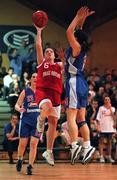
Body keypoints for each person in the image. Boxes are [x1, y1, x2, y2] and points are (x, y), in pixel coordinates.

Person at [65, 7, 95, 164]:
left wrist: (77, 16)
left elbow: (69, 31)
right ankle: (88, 145)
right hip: (82, 83)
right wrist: (82, 19)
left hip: (74, 81)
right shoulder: (81, 46)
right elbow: (78, 30)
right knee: (81, 118)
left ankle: (75, 145)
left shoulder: (76, 48)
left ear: (76, 39)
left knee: (70, 116)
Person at [34, 24, 64, 166]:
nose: (49, 52)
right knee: (47, 107)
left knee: (53, 124)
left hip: (56, 95)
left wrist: (64, 58)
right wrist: (39, 31)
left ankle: (48, 151)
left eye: (51, 51)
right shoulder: (42, 64)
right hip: (43, 92)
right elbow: (39, 46)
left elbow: (71, 65)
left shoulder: (59, 65)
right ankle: (40, 121)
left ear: (54, 55)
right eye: (47, 51)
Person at [15, 73, 40, 175]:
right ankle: (20, 159)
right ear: (30, 79)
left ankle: (30, 166)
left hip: (38, 123)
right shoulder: (25, 91)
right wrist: (19, 109)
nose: (35, 78)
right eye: (33, 76)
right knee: (22, 144)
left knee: (34, 144)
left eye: (37, 77)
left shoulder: (42, 92)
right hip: (25, 121)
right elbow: (17, 104)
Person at [96, 96, 116, 163]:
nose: (107, 101)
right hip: (102, 128)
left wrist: (110, 108)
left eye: (108, 99)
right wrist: (98, 127)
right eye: (105, 99)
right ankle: (101, 157)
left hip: (110, 128)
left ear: (110, 101)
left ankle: (109, 157)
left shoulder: (113, 109)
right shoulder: (101, 108)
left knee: (109, 142)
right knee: (101, 142)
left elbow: (114, 118)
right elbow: (97, 118)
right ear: (104, 101)